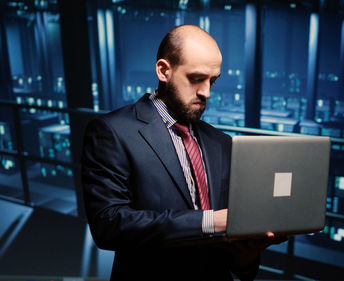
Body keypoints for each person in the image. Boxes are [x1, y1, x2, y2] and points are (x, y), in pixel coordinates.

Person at [81, 25, 280, 280]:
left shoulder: (220, 141)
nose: (206, 92)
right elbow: (109, 224)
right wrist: (211, 222)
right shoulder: (112, 131)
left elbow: (232, 248)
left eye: (213, 81)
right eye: (196, 78)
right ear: (164, 70)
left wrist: (246, 255)